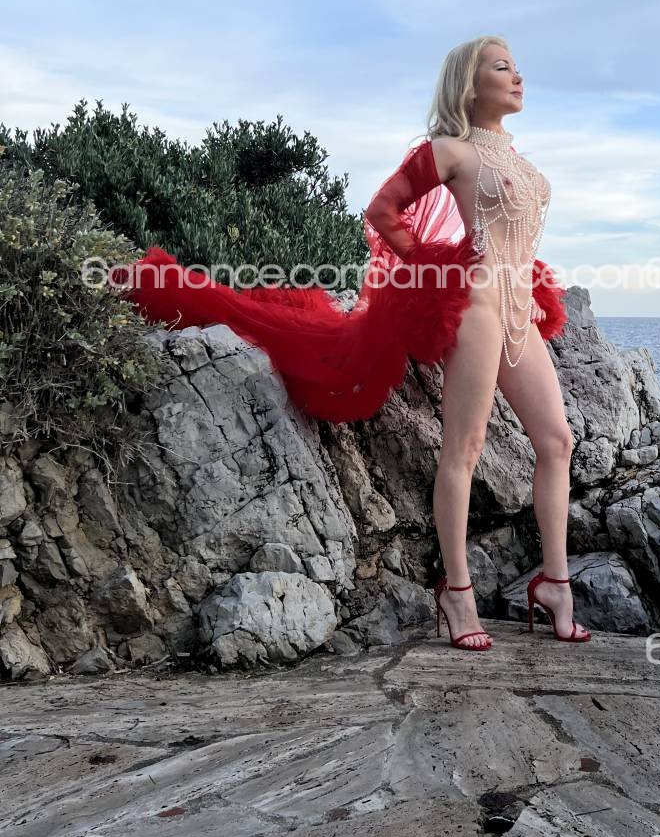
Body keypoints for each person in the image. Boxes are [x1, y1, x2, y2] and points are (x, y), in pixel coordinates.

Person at [111, 34, 589, 652]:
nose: (518, 77)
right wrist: (433, 268)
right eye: (503, 68)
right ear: (470, 84)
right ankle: (457, 592)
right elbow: (384, 211)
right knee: (464, 448)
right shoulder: (450, 151)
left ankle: (555, 584)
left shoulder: (518, 161)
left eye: (518, 68)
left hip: (522, 306)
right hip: (473, 305)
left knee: (557, 441)